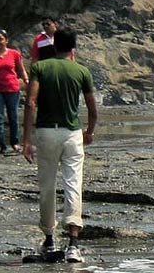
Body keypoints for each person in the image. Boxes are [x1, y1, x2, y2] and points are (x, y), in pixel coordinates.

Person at [22, 27, 98, 263]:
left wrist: (26, 138)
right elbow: (93, 110)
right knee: (73, 183)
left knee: (46, 185)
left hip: (46, 132)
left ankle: (49, 239)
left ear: (54, 46)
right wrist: (89, 132)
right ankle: (74, 244)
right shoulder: (81, 71)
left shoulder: (40, 68)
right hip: (72, 133)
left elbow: (31, 102)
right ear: (73, 49)